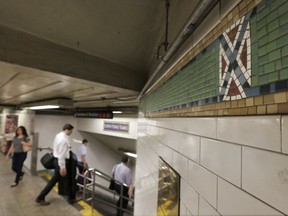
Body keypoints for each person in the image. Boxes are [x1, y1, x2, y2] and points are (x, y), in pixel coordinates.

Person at [36, 124, 77, 206]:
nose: (71, 132)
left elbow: (58, 148)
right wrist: (62, 168)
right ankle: (40, 197)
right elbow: (61, 155)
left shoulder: (59, 135)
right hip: (61, 162)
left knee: (65, 180)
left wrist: (68, 147)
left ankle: (71, 198)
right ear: (68, 130)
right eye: (71, 130)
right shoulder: (63, 140)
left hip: (57, 160)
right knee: (55, 181)